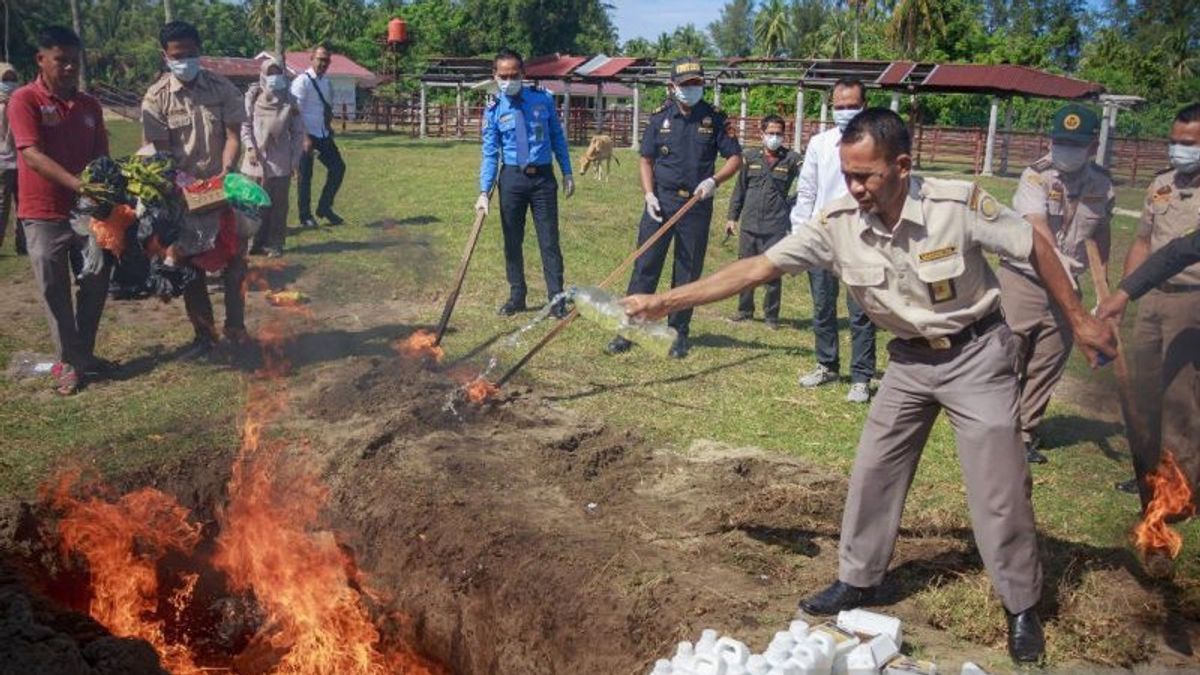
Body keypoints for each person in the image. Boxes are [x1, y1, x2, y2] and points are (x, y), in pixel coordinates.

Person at [622, 109, 1117, 665]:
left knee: (997, 488)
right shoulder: (837, 223)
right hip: (907, 361)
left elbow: (1033, 246)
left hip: (976, 353)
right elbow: (758, 268)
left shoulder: (954, 206)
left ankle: (1021, 604)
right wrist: (665, 302)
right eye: (847, 175)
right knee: (874, 470)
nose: (854, 188)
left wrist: (1078, 318)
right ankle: (858, 579)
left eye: (866, 176)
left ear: (902, 166)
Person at [1096, 103, 1200, 504]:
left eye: (1188, 144)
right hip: (1151, 299)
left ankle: (1178, 487)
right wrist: (1125, 294)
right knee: (1145, 392)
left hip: (1192, 304)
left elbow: (1180, 252)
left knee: (1181, 397)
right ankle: (1148, 472)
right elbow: (1143, 243)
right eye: (1174, 141)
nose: (1178, 150)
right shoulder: (1161, 185)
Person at [606, 57, 742, 359]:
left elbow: (735, 158)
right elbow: (646, 160)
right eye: (685, 85)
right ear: (672, 86)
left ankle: (678, 332)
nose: (691, 89)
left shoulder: (716, 118)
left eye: (697, 83)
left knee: (687, 270)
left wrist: (714, 181)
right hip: (661, 202)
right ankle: (628, 328)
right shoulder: (659, 118)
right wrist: (648, 194)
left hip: (696, 203)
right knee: (645, 266)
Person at [1000, 104, 1113, 463]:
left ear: (1092, 145)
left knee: (1047, 362)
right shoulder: (1036, 175)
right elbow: (1036, 223)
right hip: (1024, 279)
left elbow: (1101, 234)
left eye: (1074, 143)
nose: (1065, 149)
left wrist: (1103, 286)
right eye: (1060, 141)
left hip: (1070, 287)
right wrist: (1057, 261)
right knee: (1008, 354)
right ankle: (996, 431)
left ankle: (1025, 433)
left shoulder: (1102, 183)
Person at [9, 26, 112, 394]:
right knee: (55, 288)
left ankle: (82, 354)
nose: (69, 68)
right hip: (42, 212)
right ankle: (69, 363)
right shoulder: (25, 100)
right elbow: (32, 154)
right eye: (61, 61)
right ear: (41, 60)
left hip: (86, 211)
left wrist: (105, 187)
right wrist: (78, 184)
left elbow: (102, 155)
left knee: (96, 278)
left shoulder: (89, 105)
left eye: (74, 61)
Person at [141, 20, 247, 359]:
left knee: (235, 262)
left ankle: (236, 327)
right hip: (181, 193)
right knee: (192, 267)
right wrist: (185, 186)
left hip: (222, 186)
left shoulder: (222, 88)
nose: (184, 60)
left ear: (200, 52)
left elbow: (233, 137)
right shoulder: (156, 98)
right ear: (165, 56)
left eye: (190, 53)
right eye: (177, 55)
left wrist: (225, 172)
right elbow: (159, 153)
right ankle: (205, 335)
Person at [790, 78, 877, 403]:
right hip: (824, 234)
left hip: (863, 236)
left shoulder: (876, 143)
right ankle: (826, 364)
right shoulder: (819, 143)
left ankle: (861, 376)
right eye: (839, 107)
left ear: (864, 106)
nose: (845, 113)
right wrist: (800, 230)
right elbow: (808, 190)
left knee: (861, 310)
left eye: (852, 106)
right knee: (822, 306)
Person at [476, 48, 575, 318]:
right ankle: (517, 295)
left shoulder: (542, 100)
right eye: (503, 76)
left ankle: (557, 299)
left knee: (549, 241)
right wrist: (484, 191)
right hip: (512, 180)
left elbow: (557, 137)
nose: (509, 80)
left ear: (524, 74)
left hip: (543, 179)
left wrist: (567, 172)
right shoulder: (494, 110)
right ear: (495, 76)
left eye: (514, 75)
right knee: (512, 240)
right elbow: (490, 153)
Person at [724, 114, 802, 330]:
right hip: (750, 223)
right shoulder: (749, 157)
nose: (774, 137)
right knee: (745, 269)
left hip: (776, 225)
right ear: (762, 134)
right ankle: (744, 311)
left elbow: (808, 185)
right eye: (770, 133)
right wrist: (732, 218)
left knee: (773, 271)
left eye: (778, 134)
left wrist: (790, 203)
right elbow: (739, 190)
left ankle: (771, 317)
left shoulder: (792, 159)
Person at [242, 57, 305, 258]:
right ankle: (253, 242)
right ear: (262, 75)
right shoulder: (252, 97)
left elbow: (297, 133)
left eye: (278, 73)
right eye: (270, 74)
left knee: (278, 205)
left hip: (281, 159)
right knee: (252, 203)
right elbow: (245, 125)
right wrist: (250, 148)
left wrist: (294, 161)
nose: (274, 78)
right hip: (255, 159)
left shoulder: (290, 100)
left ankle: (275, 243)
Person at [292, 44, 345, 228]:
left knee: (338, 168)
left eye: (327, 60)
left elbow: (327, 107)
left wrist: (328, 126)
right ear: (312, 59)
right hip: (305, 134)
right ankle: (305, 216)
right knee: (305, 176)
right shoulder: (302, 81)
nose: (324, 63)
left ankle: (324, 207)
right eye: (320, 59)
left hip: (322, 132)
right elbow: (295, 111)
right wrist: (304, 137)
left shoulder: (326, 82)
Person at [0, 62, 23, 255]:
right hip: (2, 162)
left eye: (12, 79)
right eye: (4, 79)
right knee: (2, 205)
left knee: (23, 205)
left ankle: (23, 244)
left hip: (22, 160)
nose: (9, 83)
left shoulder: (20, 103)